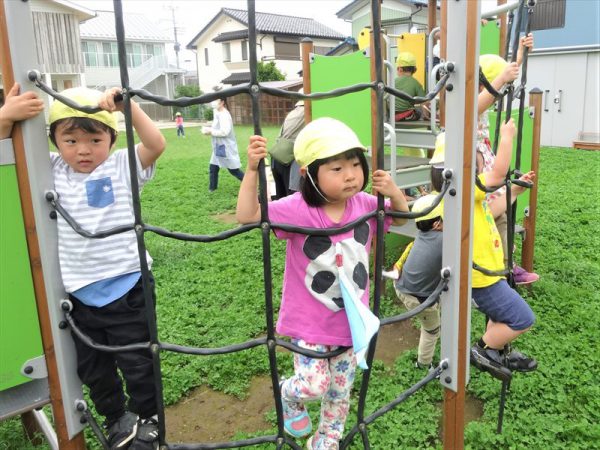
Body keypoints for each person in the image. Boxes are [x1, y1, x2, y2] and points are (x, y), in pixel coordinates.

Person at [236, 118, 408, 449]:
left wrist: (394, 194)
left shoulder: (365, 205)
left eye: (356, 164)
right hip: (310, 323)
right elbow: (247, 215)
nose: (351, 175)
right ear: (309, 174)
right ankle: (288, 394)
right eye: (337, 168)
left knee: (340, 391)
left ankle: (327, 439)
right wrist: (252, 169)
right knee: (315, 384)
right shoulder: (297, 210)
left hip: (350, 323)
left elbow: (400, 218)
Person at [41, 86, 164, 450]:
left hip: (127, 289)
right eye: (71, 139)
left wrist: (129, 106)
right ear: (54, 141)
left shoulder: (119, 165)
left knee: (138, 362)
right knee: (93, 369)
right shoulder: (50, 170)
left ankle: (149, 419)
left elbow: (156, 144)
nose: (83, 149)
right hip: (77, 296)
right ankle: (116, 418)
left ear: (111, 138)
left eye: (95, 138)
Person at [430, 123, 537, 382]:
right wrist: (507, 136)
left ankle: (497, 350)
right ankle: (484, 349)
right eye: (478, 159)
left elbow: (494, 208)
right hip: (482, 280)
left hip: (489, 275)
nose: (482, 164)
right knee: (523, 318)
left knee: (501, 316)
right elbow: (499, 173)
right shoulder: (461, 190)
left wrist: (516, 190)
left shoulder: (464, 197)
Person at [477, 33, 539, 285]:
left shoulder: (479, 95)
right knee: (492, 214)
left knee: (499, 216)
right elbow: (477, 105)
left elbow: (499, 81)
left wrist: (520, 57)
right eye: (498, 86)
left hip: (483, 161)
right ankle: (501, 268)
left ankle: (505, 265)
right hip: (474, 164)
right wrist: (502, 78)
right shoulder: (465, 101)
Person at [386, 194, 444, 370]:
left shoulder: (422, 233)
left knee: (436, 305)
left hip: (404, 286)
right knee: (432, 330)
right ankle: (422, 365)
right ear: (437, 224)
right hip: (415, 297)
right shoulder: (443, 240)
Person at [202, 94, 244, 192]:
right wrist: (209, 128)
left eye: (216, 100)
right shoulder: (217, 112)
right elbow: (216, 126)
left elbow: (225, 132)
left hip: (226, 146)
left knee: (233, 170)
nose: (213, 102)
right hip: (218, 145)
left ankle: (248, 183)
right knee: (213, 167)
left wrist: (210, 132)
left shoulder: (225, 115)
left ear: (222, 102)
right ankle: (212, 188)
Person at [270, 93, 306, 199]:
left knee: (278, 195)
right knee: (292, 195)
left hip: (277, 156)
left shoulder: (293, 112)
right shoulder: (306, 111)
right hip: (289, 159)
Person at [394, 52, 428, 122]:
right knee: (418, 111)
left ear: (400, 69)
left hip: (392, 116)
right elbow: (424, 102)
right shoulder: (416, 83)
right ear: (415, 70)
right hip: (408, 116)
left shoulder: (392, 81)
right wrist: (426, 116)